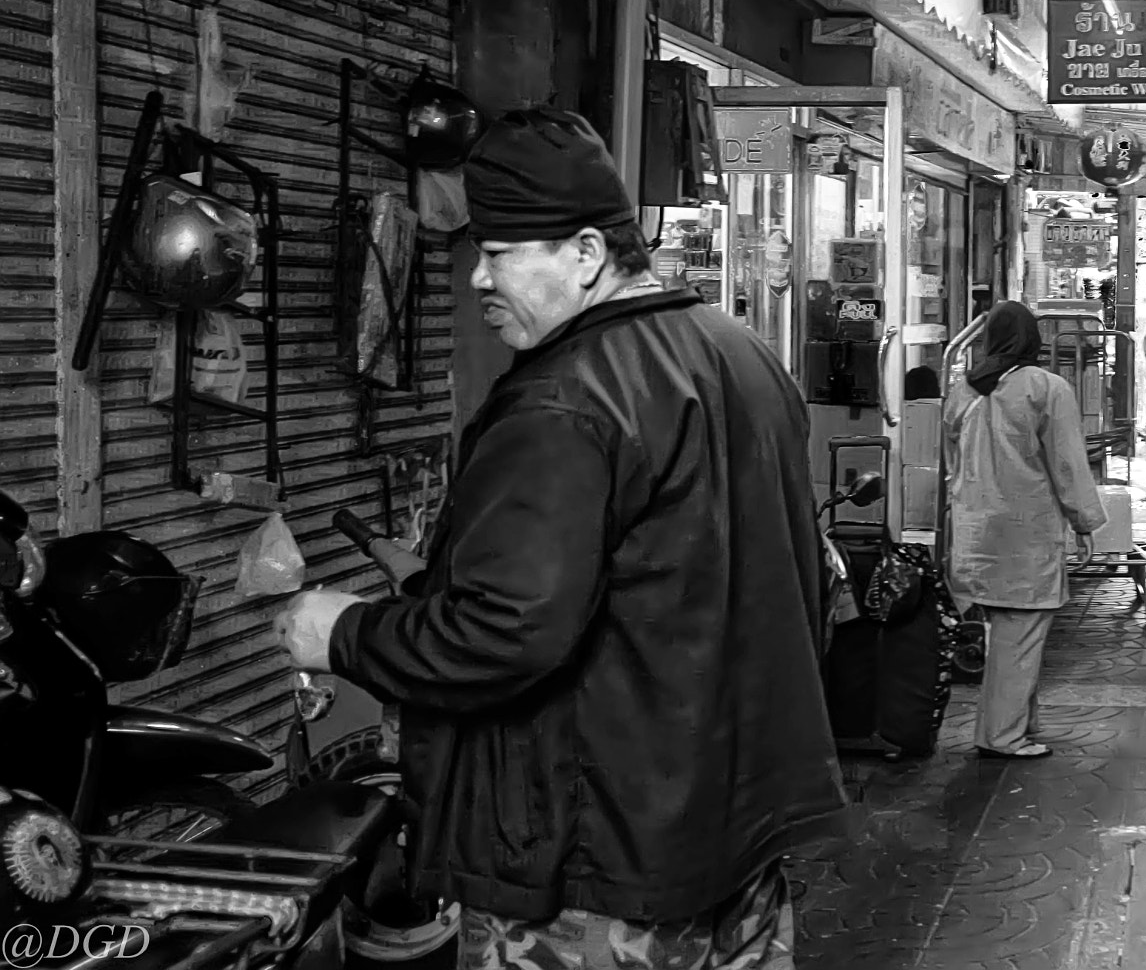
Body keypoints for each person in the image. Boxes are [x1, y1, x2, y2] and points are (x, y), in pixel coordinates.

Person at [274, 108, 845, 970]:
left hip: (595, 871)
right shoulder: (742, 354)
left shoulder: (563, 400)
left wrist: (341, 633)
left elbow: (506, 631)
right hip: (735, 842)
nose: (476, 279)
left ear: (585, 255)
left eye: (499, 254)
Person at [944, 301, 1106, 760]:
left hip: (976, 530)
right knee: (1021, 633)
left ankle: (1019, 724)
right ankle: (1003, 735)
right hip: (1025, 532)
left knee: (1007, 633)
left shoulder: (963, 390)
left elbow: (952, 465)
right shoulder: (1046, 388)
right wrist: (1084, 522)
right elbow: (1068, 464)